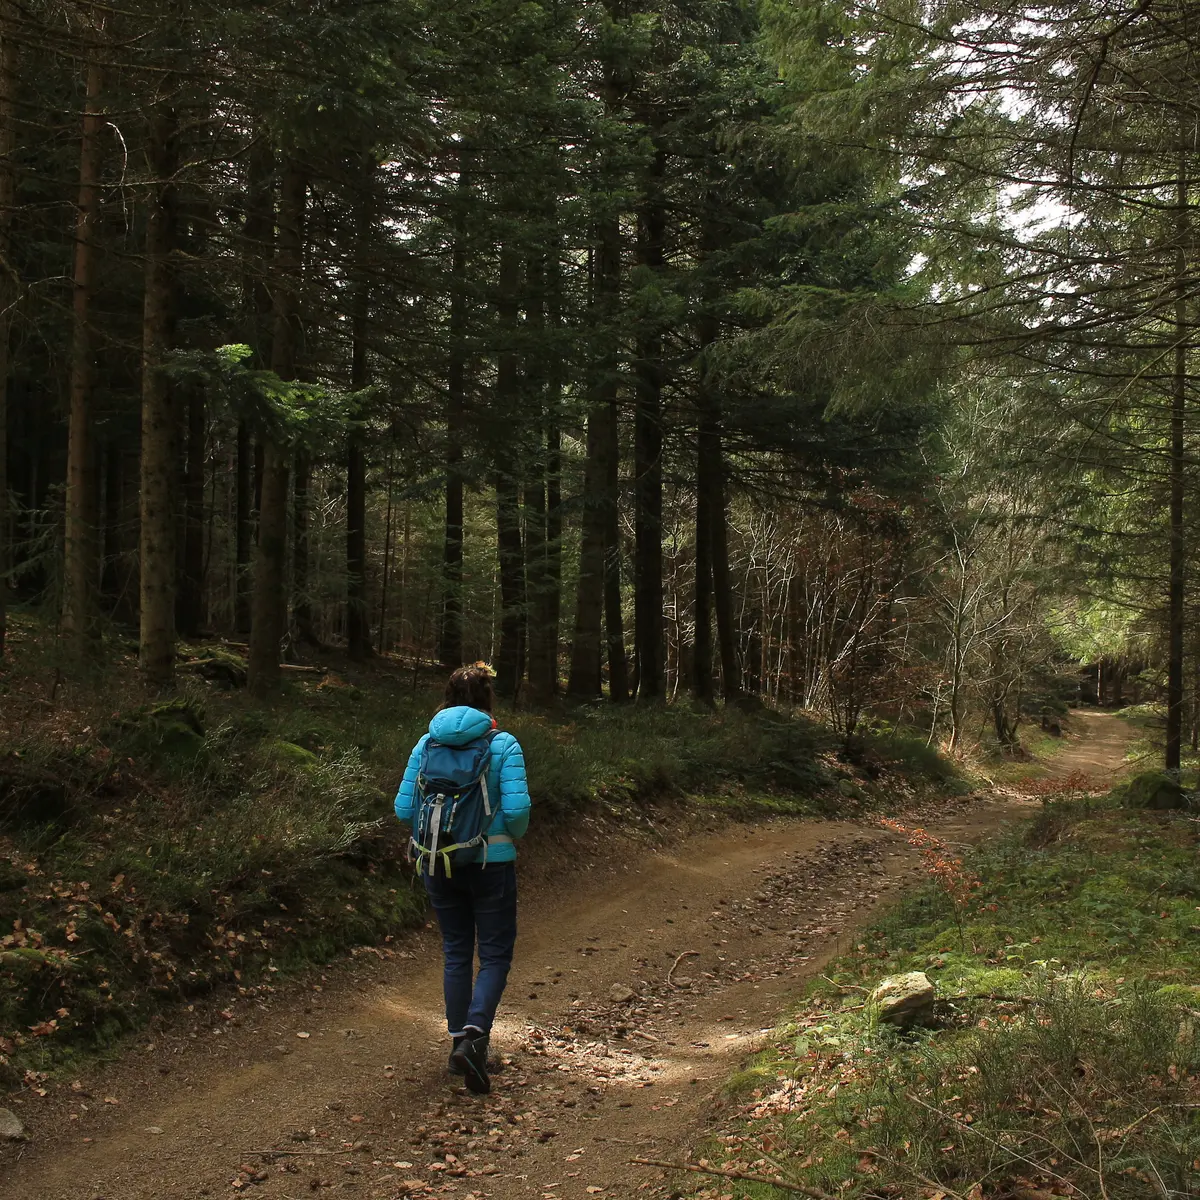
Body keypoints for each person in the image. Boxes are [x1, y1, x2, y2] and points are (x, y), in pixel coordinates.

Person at [394, 664, 530, 1094]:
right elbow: (518, 812)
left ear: (447, 696)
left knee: (456, 951)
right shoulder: (503, 744)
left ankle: (459, 1044)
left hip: (438, 861)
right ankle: (474, 1041)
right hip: (491, 862)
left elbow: (403, 810)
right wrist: (510, 837)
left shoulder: (425, 742)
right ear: (488, 699)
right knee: (493, 956)